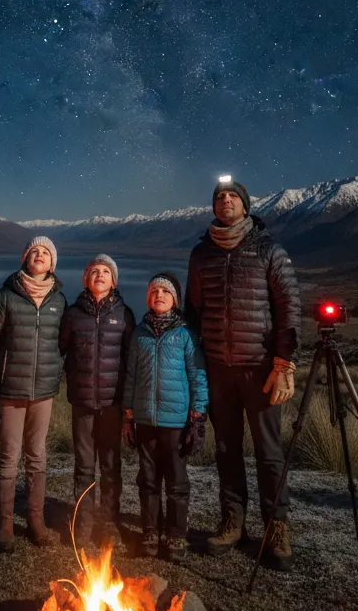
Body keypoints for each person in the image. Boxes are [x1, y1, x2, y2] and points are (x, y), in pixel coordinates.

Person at [186, 178, 301, 570]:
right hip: (219, 368)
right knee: (226, 449)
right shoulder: (202, 254)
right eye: (219, 197)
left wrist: (284, 364)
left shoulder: (268, 249)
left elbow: (288, 307)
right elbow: (193, 311)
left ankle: (276, 527)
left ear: (246, 205)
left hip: (260, 369)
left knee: (269, 452)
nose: (226, 201)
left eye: (233, 196)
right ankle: (232, 520)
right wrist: (193, 362)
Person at [0, 236, 67, 553]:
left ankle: (36, 521)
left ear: (52, 263)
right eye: (34, 251)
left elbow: (66, 343)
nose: (39, 255)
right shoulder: (5, 297)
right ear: (25, 258)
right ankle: (4, 525)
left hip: (43, 392)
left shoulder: (59, 301)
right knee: (8, 457)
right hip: (10, 390)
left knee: (37, 455)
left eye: (46, 253)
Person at [122, 273, 208, 564]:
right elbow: (131, 376)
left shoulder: (185, 334)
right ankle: (150, 532)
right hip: (145, 419)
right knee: (147, 479)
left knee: (176, 481)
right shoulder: (140, 333)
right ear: (148, 298)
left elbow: (197, 375)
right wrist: (128, 414)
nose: (159, 295)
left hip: (176, 421)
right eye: (154, 291)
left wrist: (198, 417)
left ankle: (175, 534)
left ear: (176, 300)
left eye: (166, 292)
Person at [58, 254, 136, 548]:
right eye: (94, 271)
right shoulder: (73, 314)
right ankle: (84, 521)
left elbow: (130, 361)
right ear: (86, 279)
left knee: (110, 465)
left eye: (105, 271)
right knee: (84, 465)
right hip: (82, 404)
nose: (99, 275)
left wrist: (128, 405)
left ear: (113, 281)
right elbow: (59, 349)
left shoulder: (124, 314)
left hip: (112, 405)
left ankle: (109, 522)